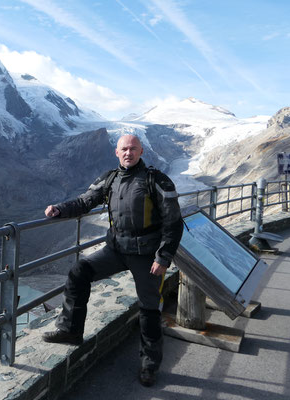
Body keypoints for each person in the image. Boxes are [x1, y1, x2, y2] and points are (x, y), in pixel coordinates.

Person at [42, 134, 183, 386]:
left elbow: (173, 222)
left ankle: (149, 365)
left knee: (150, 307)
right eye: (123, 149)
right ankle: (71, 330)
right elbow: (86, 200)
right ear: (116, 153)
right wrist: (60, 209)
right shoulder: (110, 179)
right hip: (116, 248)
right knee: (79, 271)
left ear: (141, 151)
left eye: (133, 148)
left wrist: (163, 256)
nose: (128, 153)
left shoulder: (156, 179)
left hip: (147, 255)